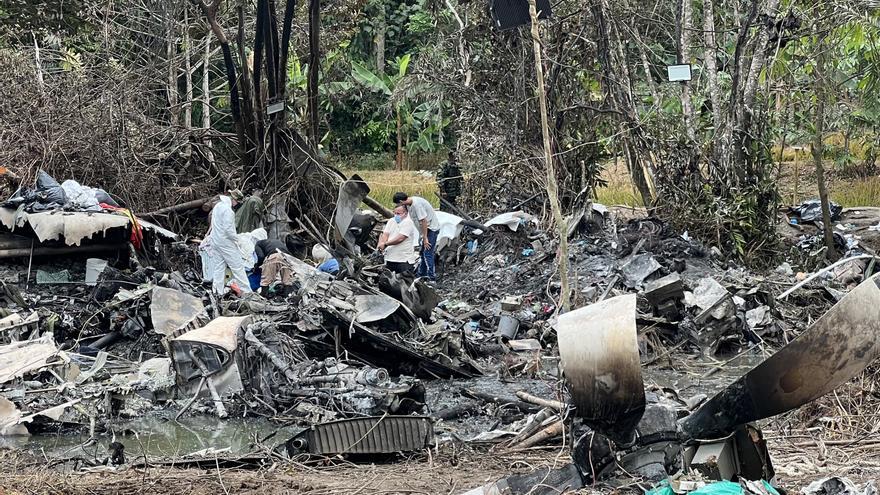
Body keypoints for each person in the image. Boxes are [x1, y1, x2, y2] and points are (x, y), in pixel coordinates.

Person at [203, 194, 252, 295]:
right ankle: (247, 292)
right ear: (234, 200)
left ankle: (217, 291)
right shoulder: (228, 211)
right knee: (237, 267)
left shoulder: (218, 206)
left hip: (215, 241)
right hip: (225, 243)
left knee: (219, 267)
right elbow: (228, 230)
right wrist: (237, 239)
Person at [393, 192, 440, 281]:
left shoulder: (417, 205)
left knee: (428, 253)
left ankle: (432, 278)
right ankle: (421, 275)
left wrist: (425, 238)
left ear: (401, 201)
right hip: (424, 230)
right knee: (422, 253)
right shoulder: (408, 204)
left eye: (398, 204)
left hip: (431, 229)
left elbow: (424, 221)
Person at [378, 205, 418, 275]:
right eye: (395, 213)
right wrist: (382, 243)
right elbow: (385, 234)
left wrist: (385, 244)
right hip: (390, 258)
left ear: (405, 213)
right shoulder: (391, 221)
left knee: (404, 279)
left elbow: (400, 238)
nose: (396, 215)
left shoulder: (408, 222)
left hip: (403, 259)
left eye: (398, 214)